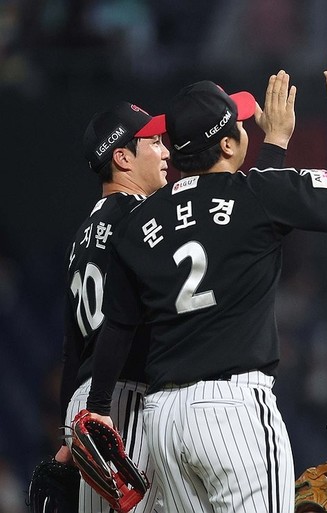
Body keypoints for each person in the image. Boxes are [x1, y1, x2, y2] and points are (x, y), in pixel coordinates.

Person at [85, 46, 327, 513]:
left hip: (163, 420)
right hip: (232, 406)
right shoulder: (256, 193)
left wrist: (97, 406)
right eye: (238, 125)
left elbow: (118, 326)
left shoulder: (137, 222)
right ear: (228, 145)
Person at [59, 101, 169, 513]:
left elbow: (72, 348)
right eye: (154, 142)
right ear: (122, 157)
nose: (166, 152)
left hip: (88, 400)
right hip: (120, 401)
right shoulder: (141, 220)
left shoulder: (82, 235)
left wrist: (66, 432)